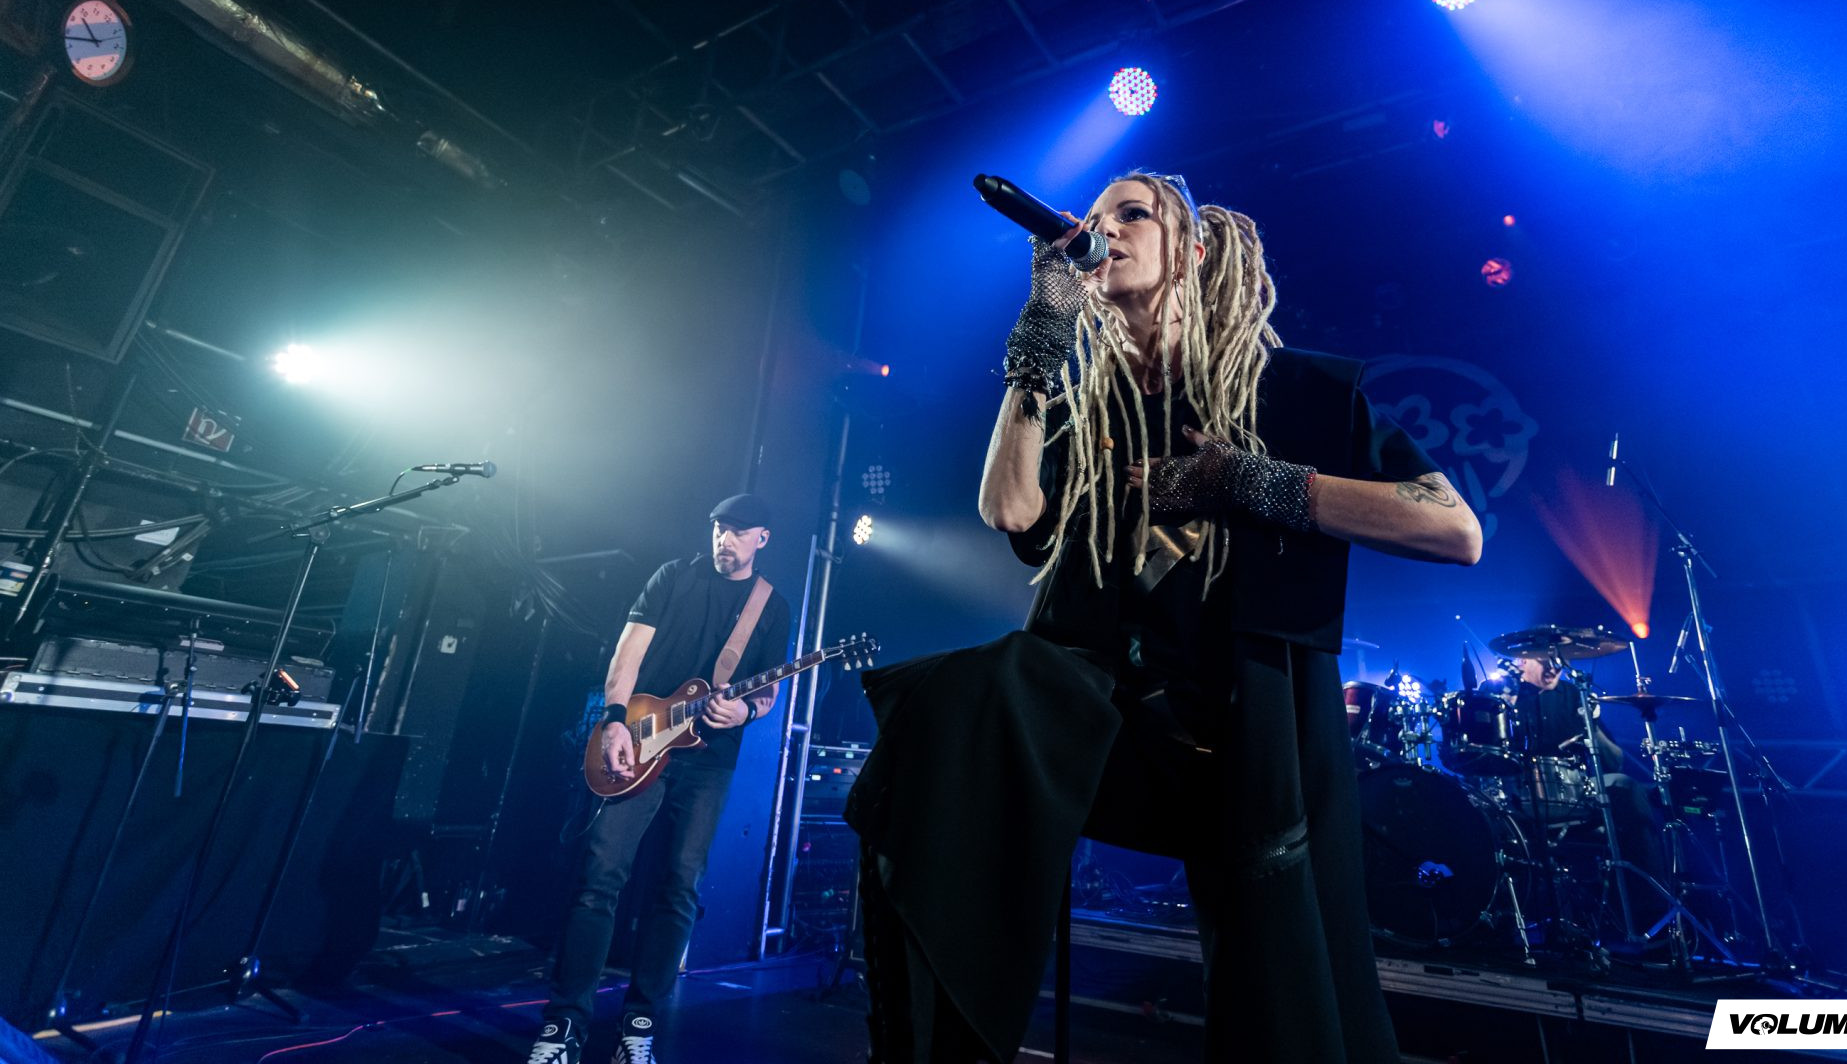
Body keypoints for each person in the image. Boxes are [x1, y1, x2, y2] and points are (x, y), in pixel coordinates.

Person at [845, 173, 1483, 1063]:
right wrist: (1041, 336)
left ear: (1193, 251)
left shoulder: (1294, 390)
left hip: (1252, 737)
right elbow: (1010, 510)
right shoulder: (1091, 412)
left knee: (1290, 1001)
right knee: (951, 707)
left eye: (1132, 214)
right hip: (1111, 726)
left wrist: (1250, 483)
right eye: (1095, 218)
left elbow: (1455, 529)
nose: (1104, 229)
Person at [528, 494, 791, 1064]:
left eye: (737, 531)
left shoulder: (771, 606)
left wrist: (744, 711)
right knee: (600, 876)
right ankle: (563, 1026)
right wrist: (614, 721)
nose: (724, 539)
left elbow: (768, 691)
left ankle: (639, 1026)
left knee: (679, 886)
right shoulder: (673, 577)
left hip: (709, 760)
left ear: (762, 538)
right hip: (640, 739)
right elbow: (628, 654)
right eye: (718, 528)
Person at [1502, 655, 1667, 932]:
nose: (1554, 667)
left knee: (1626, 786)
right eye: (1544, 659)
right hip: (1518, 795)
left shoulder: (1573, 695)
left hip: (1575, 789)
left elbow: (1614, 762)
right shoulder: (1503, 693)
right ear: (1522, 660)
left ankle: (1649, 907)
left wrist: (1591, 724)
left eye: (1558, 659)